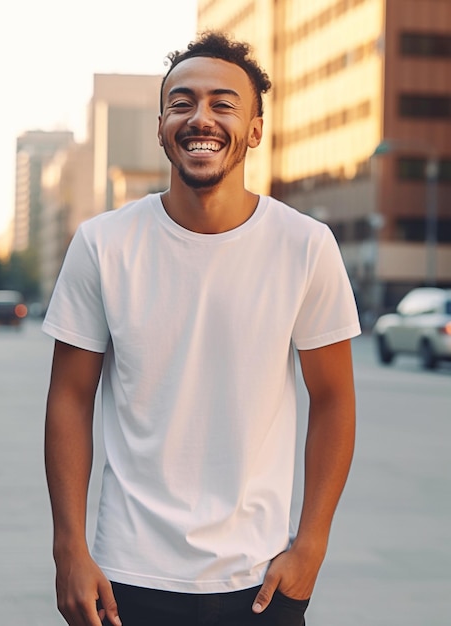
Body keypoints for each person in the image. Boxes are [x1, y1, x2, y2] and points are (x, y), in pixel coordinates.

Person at [43, 31, 361, 626]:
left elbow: (335, 398)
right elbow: (69, 395)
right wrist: (69, 546)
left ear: (256, 129)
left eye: (223, 103)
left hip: (259, 577)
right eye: (182, 102)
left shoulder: (305, 246)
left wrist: (312, 543)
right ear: (161, 124)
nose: (201, 118)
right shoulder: (103, 244)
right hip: (124, 572)